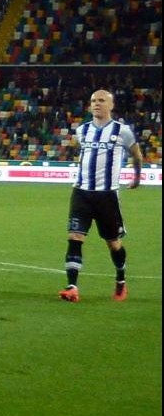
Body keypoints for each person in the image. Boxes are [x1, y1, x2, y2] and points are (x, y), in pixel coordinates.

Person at [59, 90, 144, 303]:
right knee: (75, 237)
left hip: (107, 196)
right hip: (81, 192)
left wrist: (137, 177)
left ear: (111, 105)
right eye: (93, 101)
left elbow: (137, 155)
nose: (96, 104)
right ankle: (72, 287)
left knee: (113, 243)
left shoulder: (122, 131)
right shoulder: (82, 130)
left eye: (101, 101)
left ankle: (121, 279)